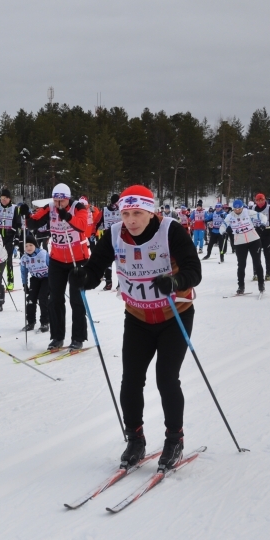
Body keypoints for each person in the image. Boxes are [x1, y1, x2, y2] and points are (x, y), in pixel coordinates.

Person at [75, 184, 202, 470]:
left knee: (166, 378)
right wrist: (83, 277)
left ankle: (174, 439)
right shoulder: (114, 235)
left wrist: (175, 281)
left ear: (151, 211)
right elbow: (95, 270)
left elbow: (195, 270)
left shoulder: (170, 230)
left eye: (137, 213)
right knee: (131, 380)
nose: (131, 220)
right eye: (126, 213)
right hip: (138, 318)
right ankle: (135, 438)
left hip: (175, 316)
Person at [27, 183, 95, 351]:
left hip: (77, 259)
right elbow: (33, 223)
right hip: (57, 260)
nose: (58, 204)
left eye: (61, 201)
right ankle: (57, 337)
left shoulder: (78, 208)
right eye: (56, 200)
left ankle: (78, 337)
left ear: (68, 199)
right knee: (55, 299)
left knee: (76, 299)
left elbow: (82, 225)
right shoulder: (50, 207)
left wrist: (68, 217)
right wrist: (26, 214)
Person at [220, 199, 266, 295]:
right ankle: (241, 287)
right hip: (240, 243)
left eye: (239, 209)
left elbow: (263, 217)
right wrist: (223, 232)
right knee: (241, 265)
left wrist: (262, 225)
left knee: (257, 263)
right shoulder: (230, 216)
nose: (237, 211)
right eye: (235, 209)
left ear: (242, 207)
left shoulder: (248, 213)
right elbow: (222, 226)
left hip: (254, 240)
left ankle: (261, 285)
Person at [0, 190, 24, 290]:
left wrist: (17, 237)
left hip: (9, 237)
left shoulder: (15, 208)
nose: (3, 200)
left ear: (9, 199)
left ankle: (10, 281)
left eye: (6, 198)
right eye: (2, 198)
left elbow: (18, 224)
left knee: (8, 260)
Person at [19, 235, 50, 332]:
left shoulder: (43, 254)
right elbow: (24, 271)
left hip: (46, 278)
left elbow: (52, 267)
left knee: (42, 298)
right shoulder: (24, 258)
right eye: (26, 246)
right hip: (35, 279)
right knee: (30, 300)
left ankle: (45, 322)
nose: (28, 248)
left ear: (35, 245)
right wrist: (25, 284)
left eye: (31, 245)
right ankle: (31, 322)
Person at [252, 193, 270, 281]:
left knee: (267, 253)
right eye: (258, 200)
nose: (260, 202)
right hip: (256, 233)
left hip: (267, 232)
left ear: (265, 200)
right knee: (256, 254)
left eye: (262, 200)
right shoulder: (252, 209)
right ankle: (256, 273)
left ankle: (268, 273)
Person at [99, 194, 122, 290]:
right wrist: (92, 232)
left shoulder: (122, 210)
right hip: (108, 239)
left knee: (121, 262)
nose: (119, 203)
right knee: (107, 262)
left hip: (121, 239)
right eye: (118, 201)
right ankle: (108, 282)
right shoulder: (105, 210)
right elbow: (98, 222)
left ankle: (121, 284)